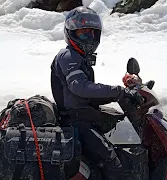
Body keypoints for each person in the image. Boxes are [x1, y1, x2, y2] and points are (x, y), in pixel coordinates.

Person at [50, 6, 129, 178]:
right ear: (70, 33)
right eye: (83, 33)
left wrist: (122, 94)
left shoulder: (80, 58)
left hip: (82, 116)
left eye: (93, 33)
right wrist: (116, 92)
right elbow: (80, 87)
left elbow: (86, 94)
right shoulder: (68, 56)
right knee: (112, 161)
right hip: (76, 121)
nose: (89, 38)